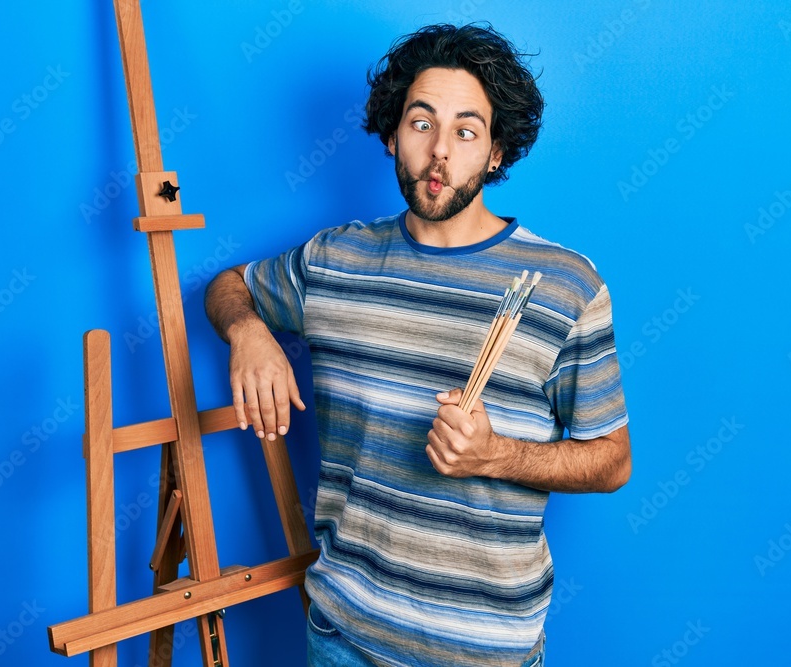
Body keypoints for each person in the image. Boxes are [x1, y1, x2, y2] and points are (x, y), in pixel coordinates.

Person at [205, 22, 630, 667]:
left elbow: (612, 462)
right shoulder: (334, 259)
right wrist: (249, 331)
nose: (440, 153)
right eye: (421, 122)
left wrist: (494, 456)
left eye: (466, 131)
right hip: (343, 638)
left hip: (485, 652)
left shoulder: (565, 286)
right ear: (391, 134)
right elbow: (227, 286)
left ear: (495, 152)